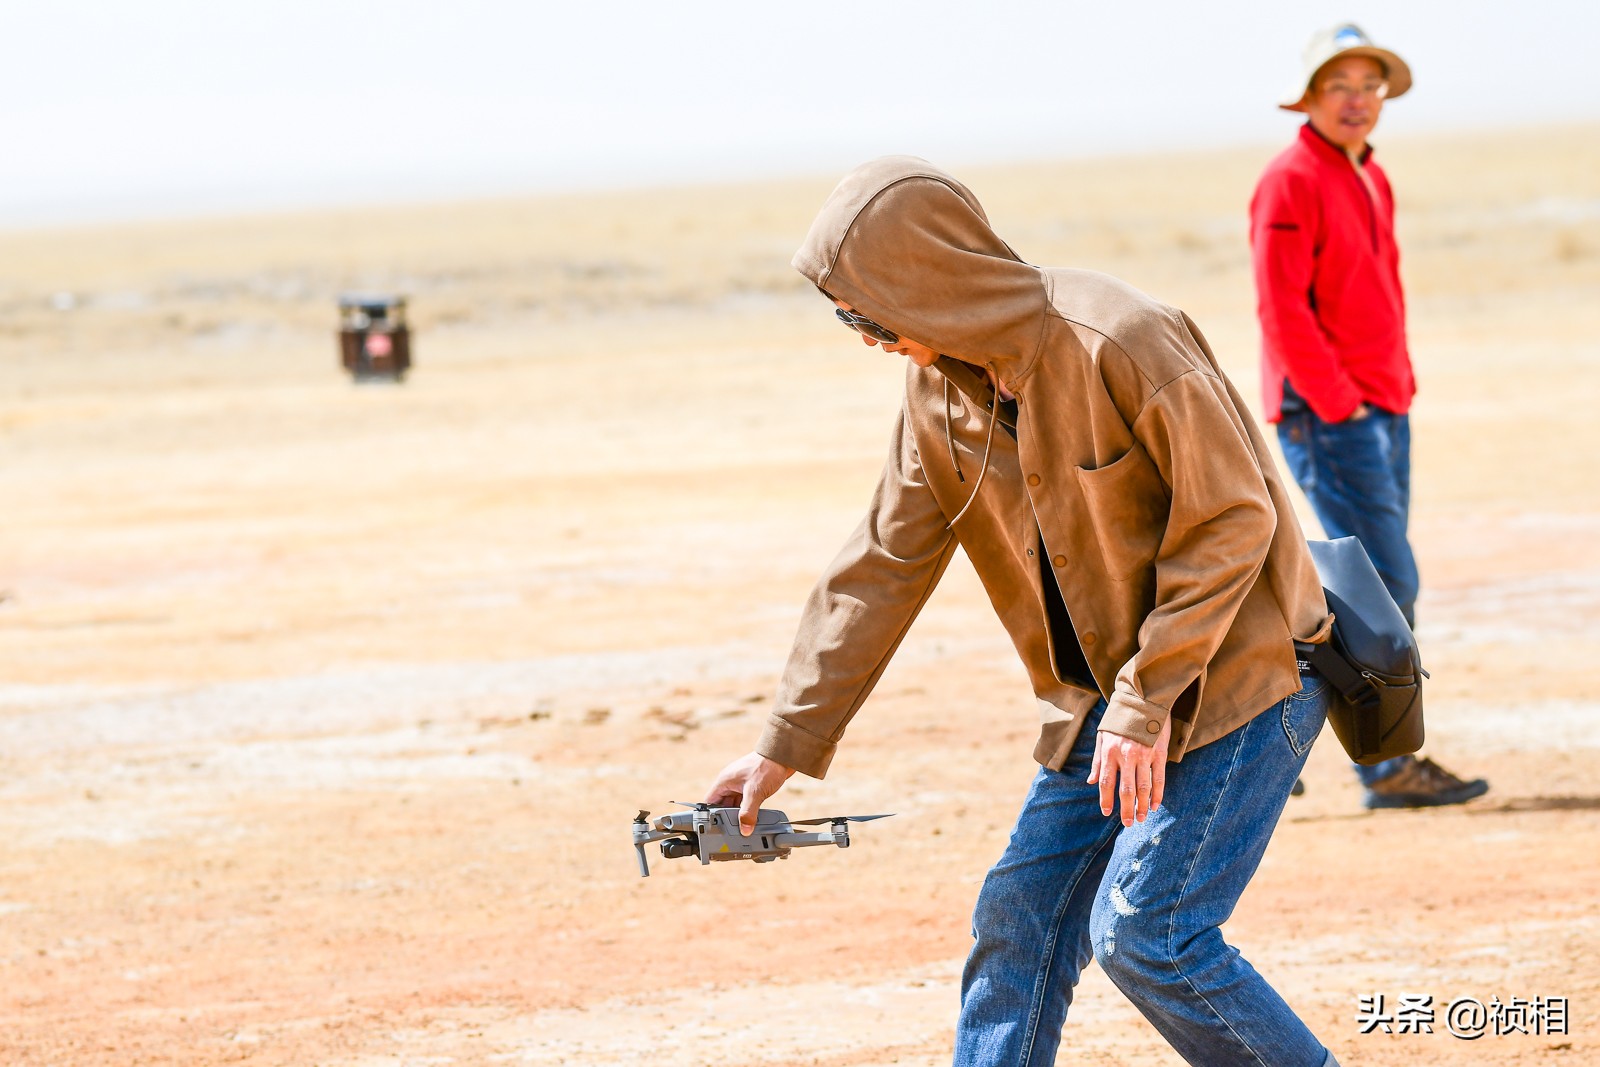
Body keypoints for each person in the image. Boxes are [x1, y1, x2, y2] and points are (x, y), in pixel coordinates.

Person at [704, 156, 1342, 1066]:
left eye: (868, 311)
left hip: (1243, 679)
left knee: (1147, 932)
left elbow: (1236, 518)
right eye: (845, 315)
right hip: (1106, 709)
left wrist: (1147, 698)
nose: (863, 336)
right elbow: (880, 565)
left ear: (931, 282)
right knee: (1017, 921)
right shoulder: (934, 397)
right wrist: (781, 747)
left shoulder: (1120, 338)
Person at [1250, 23, 1489, 809]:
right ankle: (1380, 766)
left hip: (1383, 404)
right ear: (1311, 95)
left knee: (1363, 590)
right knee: (1384, 587)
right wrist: (1338, 400)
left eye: (1371, 85)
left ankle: (1262, 748)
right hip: (1333, 412)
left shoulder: (1367, 175)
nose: (1358, 101)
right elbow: (1281, 306)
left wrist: (1390, 389)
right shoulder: (1291, 180)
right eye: (1340, 85)